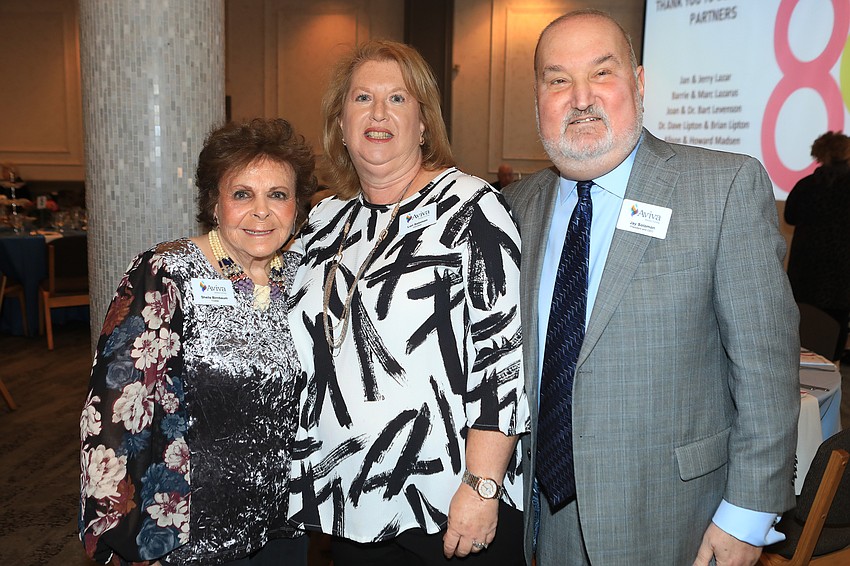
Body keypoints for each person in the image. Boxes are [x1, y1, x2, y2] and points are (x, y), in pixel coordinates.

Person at [502, 9, 799, 566]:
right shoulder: (513, 211)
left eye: (602, 73)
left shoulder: (724, 188)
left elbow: (766, 371)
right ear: (537, 98)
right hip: (545, 519)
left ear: (639, 84)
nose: (580, 97)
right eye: (558, 79)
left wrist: (748, 516)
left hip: (676, 521)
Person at [286, 40, 529, 566]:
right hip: (345, 502)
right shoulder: (323, 222)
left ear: (424, 124)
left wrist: (483, 486)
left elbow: (502, 360)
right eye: (362, 98)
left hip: (446, 506)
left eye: (398, 99)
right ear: (341, 123)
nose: (377, 113)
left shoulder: (472, 209)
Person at [79, 118, 317, 565]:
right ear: (214, 202)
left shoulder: (305, 278)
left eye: (278, 195)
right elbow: (111, 413)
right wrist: (122, 536)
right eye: (242, 194)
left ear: (298, 208)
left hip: (282, 526)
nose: (261, 211)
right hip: (181, 535)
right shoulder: (167, 273)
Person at [785, 131, 850, 360]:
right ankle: (832, 371)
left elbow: (789, 216)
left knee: (803, 324)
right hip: (842, 272)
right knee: (837, 326)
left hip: (807, 269)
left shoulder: (806, 185)